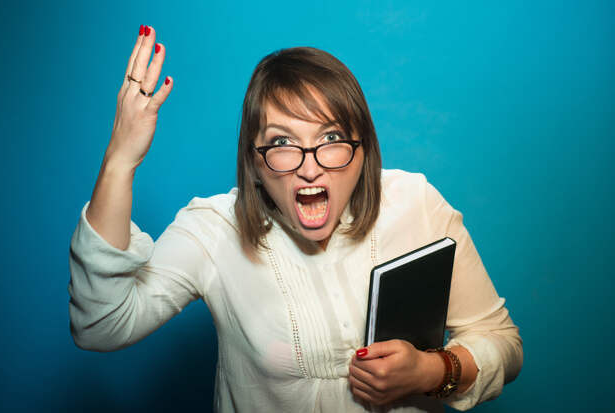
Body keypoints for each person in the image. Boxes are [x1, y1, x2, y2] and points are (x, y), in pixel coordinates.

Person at [68, 24, 522, 412]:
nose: (309, 167)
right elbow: (99, 326)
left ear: (364, 149)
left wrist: (430, 370)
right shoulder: (214, 229)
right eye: (282, 142)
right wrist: (121, 158)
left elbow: (502, 341)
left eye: (332, 137)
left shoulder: (415, 202)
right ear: (254, 162)